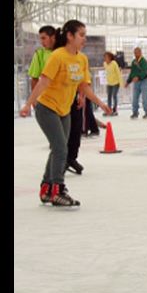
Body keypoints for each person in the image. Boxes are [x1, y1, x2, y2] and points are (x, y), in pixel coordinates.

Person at [18, 20, 111, 206]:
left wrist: (101, 103)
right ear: (70, 36)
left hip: (64, 109)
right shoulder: (57, 56)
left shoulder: (81, 59)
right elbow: (43, 82)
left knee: (58, 149)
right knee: (61, 148)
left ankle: (46, 188)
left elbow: (83, 86)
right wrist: (28, 104)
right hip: (47, 108)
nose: (84, 39)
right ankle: (57, 190)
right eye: (81, 35)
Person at [26, 26, 57, 117]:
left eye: (44, 38)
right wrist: (34, 99)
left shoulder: (63, 52)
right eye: (40, 39)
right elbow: (34, 78)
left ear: (53, 37)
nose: (42, 42)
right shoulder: (39, 54)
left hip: (65, 98)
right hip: (48, 99)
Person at [124, 47, 147, 118]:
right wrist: (128, 81)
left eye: (137, 52)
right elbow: (132, 73)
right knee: (135, 98)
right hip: (136, 82)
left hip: (144, 81)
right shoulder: (134, 62)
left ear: (140, 52)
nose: (136, 54)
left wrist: (138, 77)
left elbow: (145, 72)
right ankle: (135, 112)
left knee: (145, 98)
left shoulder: (144, 61)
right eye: (135, 53)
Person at [103, 52, 122, 116]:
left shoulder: (114, 63)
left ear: (110, 57)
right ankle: (109, 110)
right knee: (109, 96)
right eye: (104, 57)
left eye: (107, 57)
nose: (105, 58)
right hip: (109, 83)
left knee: (114, 95)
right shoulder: (105, 64)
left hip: (116, 83)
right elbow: (106, 73)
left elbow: (118, 73)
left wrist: (121, 83)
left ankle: (115, 110)